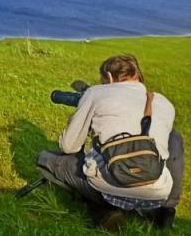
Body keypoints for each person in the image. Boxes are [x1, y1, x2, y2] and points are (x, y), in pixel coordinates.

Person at [37, 54, 183, 230]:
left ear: (109, 77)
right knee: (175, 139)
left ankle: (104, 211)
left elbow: (69, 147)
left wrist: (79, 123)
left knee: (48, 160)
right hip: (156, 192)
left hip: (108, 187)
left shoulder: (95, 92)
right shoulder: (163, 102)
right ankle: (163, 213)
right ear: (137, 75)